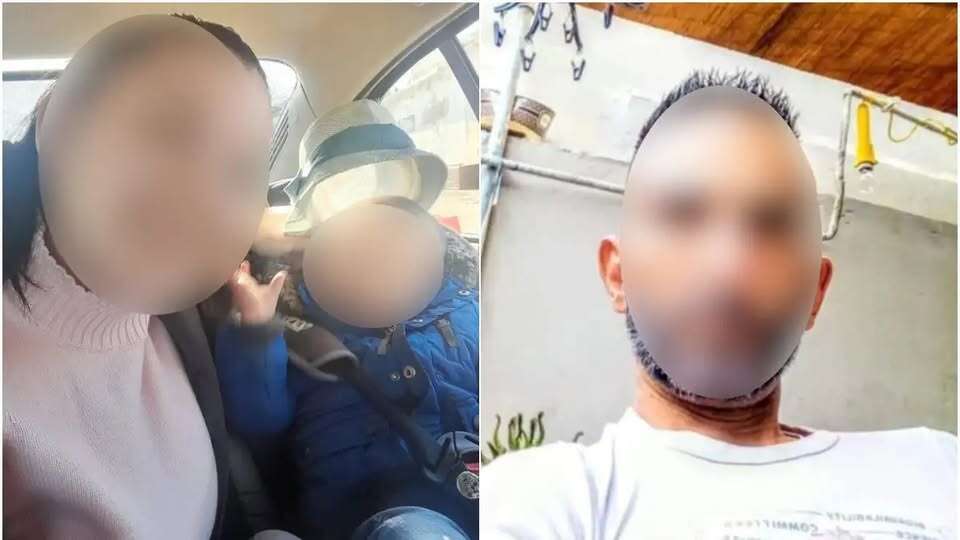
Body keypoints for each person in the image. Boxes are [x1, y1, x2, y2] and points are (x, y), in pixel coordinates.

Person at [481, 70, 957, 539]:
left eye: (770, 224)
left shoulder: (937, 466)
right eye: (683, 215)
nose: (728, 267)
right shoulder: (543, 498)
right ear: (618, 275)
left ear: (816, 293)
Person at [3, 14, 273, 539]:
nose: (202, 196)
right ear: (53, 117)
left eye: (239, 171)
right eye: (167, 131)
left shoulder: (178, 309)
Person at [215, 197, 479, 540]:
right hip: (371, 503)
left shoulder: (464, 312)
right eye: (360, 253)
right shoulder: (300, 335)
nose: (377, 265)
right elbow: (258, 421)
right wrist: (257, 329)